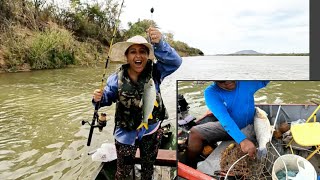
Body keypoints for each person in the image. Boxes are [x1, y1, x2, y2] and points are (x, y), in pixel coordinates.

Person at [93, 27, 182, 179]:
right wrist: (98, 98)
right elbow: (106, 99)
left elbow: (175, 62)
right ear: (126, 56)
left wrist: (160, 44)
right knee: (122, 172)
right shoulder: (115, 79)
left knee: (148, 168)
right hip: (125, 134)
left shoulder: (156, 72)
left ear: (148, 56)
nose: (138, 55)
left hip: (151, 131)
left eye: (142, 51)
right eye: (133, 51)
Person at [187, 80, 269, 168]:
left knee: (242, 154)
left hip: (248, 127)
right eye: (221, 81)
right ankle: (190, 166)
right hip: (227, 126)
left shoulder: (246, 83)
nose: (228, 82)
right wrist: (242, 140)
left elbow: (265, 79)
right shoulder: (211, 93)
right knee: (194, 133)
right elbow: (224, 119)